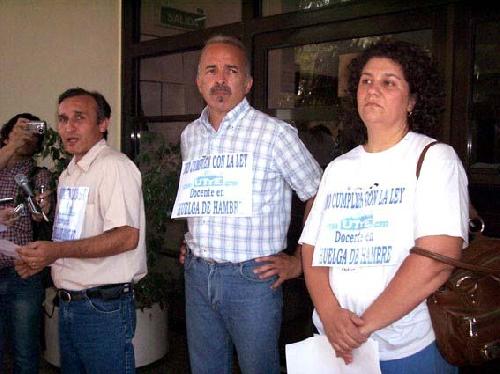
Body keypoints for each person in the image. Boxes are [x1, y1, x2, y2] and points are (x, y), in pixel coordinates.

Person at [299, 39, 469, 373]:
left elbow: (437, 258)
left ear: (413, 100)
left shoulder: (434, 158)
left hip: (406, 349)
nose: (373, 89)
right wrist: (332, 316)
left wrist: (361, 327)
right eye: (366, 81)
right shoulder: (339, 167)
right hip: (336, 346)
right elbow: (311, 248)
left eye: (388, 82)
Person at [174, 35, 321, 373]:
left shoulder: (275, 134)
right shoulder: (190, 135)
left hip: (251, 281)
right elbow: (202, 193)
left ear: (248, 82)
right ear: (199, 81)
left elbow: (318, 193)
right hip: (197, 275)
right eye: (211, 70)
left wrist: (300, 261)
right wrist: (192, 238)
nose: (220, 79)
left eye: (232, 70)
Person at [15, 88, 147, 374]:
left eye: (79, 118)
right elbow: (75, 239)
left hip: (103, 308)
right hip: (72, 303)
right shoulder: (69, 173)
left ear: (103, 124)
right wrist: (44, 259)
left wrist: (57, 251)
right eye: (62, 119)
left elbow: (126, 236)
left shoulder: (114, 167)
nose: (68, 127)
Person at [0, 113, 52, 374]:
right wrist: (10, 148)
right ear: (7, 132)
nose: (26, 135)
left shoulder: (38, 174)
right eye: (21, 129)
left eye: (32, 131)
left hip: (23, 272)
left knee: (25, 351)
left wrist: (42, 208)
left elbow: (41, 214)